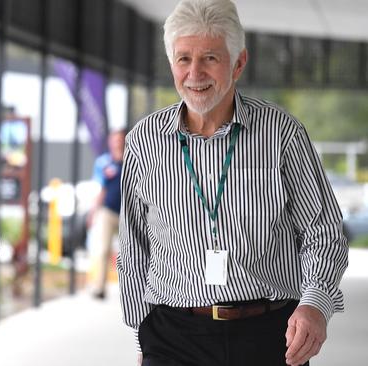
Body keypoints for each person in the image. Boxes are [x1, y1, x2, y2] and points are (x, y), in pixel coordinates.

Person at [117, 1, 348, 365]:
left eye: (210, 58)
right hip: (173, 336)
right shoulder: (144, 141)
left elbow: (324, 231)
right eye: (183, 59)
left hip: (270, 335)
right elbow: (133, 243)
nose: (195, 73)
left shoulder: (281, 134)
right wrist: (142, 326)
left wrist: (315, 305)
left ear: (238, 63)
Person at [88, 130, 125, 299]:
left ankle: (132, 289)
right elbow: (99, 188)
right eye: (114, 140)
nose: (117, 143)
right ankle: (99, 287)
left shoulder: (132, 160)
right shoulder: (104, 163)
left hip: (128, 211)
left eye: (120, 140)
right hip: (107, 211)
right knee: (102, 249)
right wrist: (93, 212)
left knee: (130, 251)